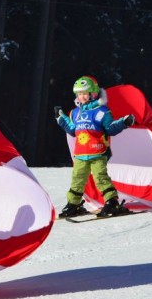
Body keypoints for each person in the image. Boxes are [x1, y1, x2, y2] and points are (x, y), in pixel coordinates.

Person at [54, 76, 136, 218]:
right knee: (77, 178)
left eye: (85, 93)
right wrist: (61, 118)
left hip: (98, 152)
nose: (82, 97)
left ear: (93, 94)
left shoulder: (101, 111)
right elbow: (73, 130)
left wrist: (124, 122)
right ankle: (74, 204)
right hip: (80, 154)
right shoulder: (75, 112)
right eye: (79, 94)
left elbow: (110, 129)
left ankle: (111, 202)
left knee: (100, 177)